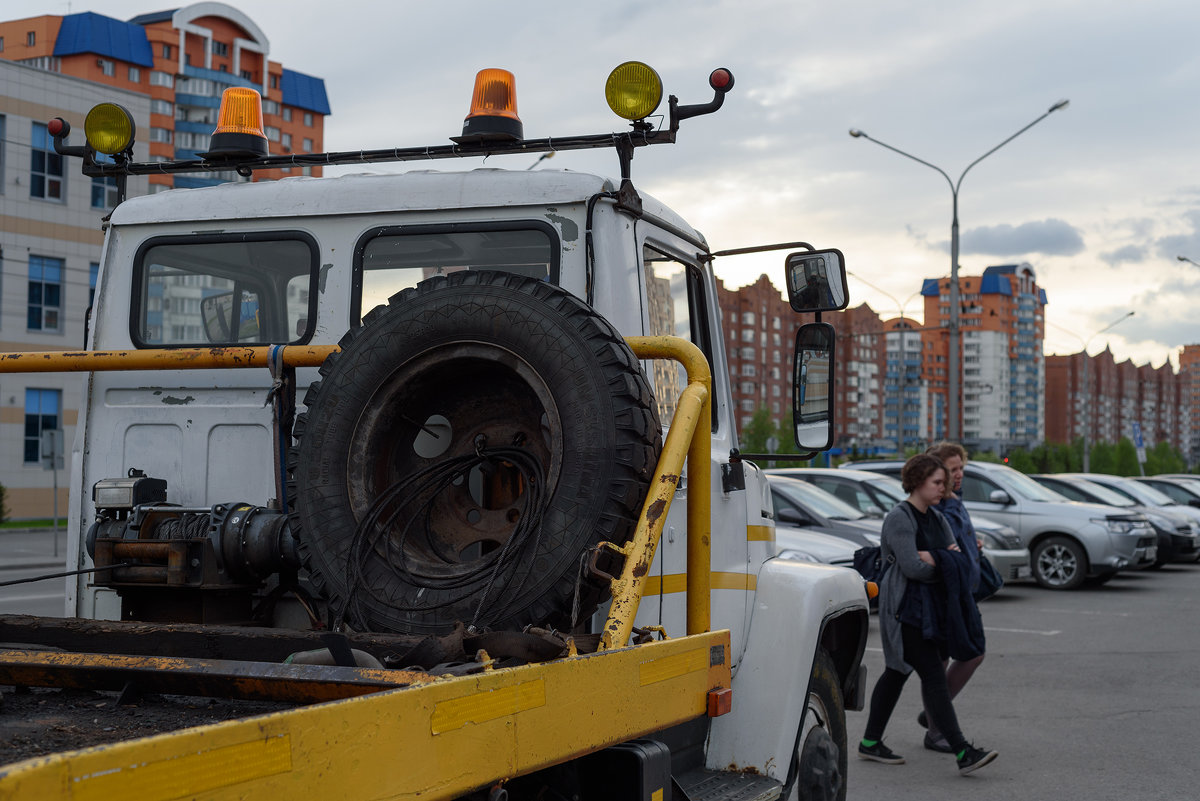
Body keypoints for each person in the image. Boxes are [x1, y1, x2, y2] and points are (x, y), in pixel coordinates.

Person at [857, 453, 998, 775]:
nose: (942, 488)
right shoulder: (900, 517)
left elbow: (959, 563)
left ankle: (869, 743)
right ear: (917, 481)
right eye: (937, 482)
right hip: (904, 611)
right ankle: (963, 752)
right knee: (933, 677)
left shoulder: (937, 518)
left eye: (944, 482)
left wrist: (935, 558)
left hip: (930, 611)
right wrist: (941, 561)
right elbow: (913, 568)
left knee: (896, 674)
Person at [920, 442, 987, 754]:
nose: (958, 474)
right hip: (944, 596)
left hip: (962, 594)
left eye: (961, 468)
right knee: (947, 660)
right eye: (952, 469)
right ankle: (936, 730)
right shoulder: (933, 507)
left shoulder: (954, 501)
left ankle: (935, 713)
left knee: (969, 654)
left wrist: (974, 545)